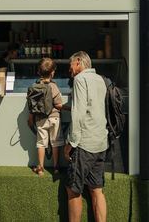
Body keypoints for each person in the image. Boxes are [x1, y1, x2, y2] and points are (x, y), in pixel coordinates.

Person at [64, 51, 108, 222]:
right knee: (97, 190)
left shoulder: (80, 79)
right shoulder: (101, 79)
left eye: (71, 67)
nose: (71, 71)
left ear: (79, 62)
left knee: (73, 191)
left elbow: (79, 113)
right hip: (101, 141)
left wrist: (71, 143)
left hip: (84, 143)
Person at [27, 57, 70, 176]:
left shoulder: (34, 86)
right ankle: (56, 167)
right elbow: (58, 104)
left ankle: (40, 168)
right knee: (55, 142)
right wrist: (70, 108)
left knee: (41, 143)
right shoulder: (53, 86)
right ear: (53, 72)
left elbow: (31, 106)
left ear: (38, 72)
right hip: (54, 117)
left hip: (40, 119)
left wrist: (31, 119)